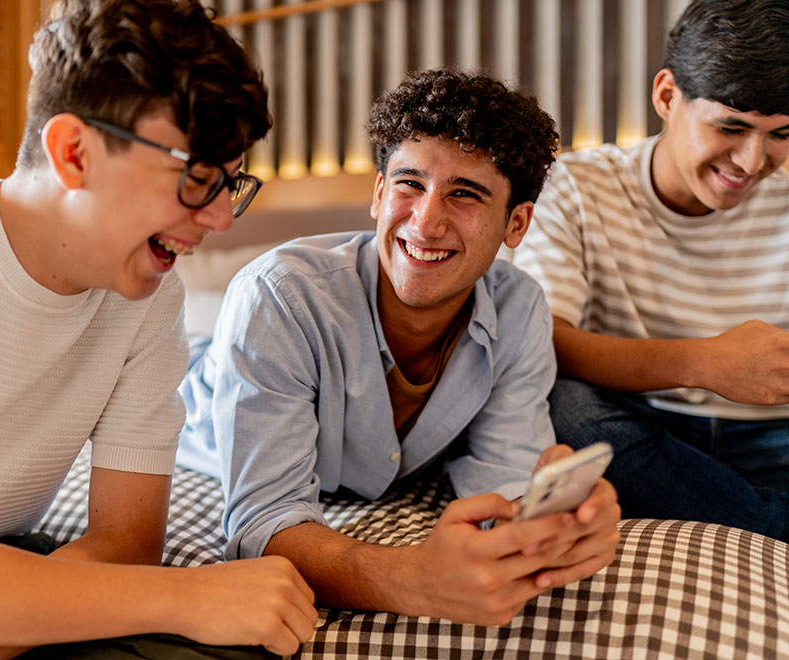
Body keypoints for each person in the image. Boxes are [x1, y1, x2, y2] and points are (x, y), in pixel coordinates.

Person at [0, 1, 319, 659]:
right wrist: (186, 597)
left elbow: (126, 542)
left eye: (231, 185)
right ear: (74, 152)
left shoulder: (151, 297)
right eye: (199, 178)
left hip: (8, 564)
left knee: (245, 641)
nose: (221, 219)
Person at [177, 68, 621, 625]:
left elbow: (505, 479)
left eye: (465, 194)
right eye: (410, 184)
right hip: (198, 391)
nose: (426, 222)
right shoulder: (278, 296)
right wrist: (414, 581)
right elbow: (261, 523)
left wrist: (546, 525)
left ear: (517, 223)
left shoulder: (520, 309)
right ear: (379, 193)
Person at [513, 0, 789, 541]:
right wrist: (702, 362)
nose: (752, 161)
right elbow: (544, 340)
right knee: (565, 407)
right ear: (667, 96)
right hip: (646, 427)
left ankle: (738, 516)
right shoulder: (577, 186)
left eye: (781, 134)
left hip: (773, 434)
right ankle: (768, 523)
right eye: (731, 127)